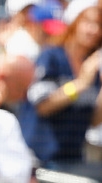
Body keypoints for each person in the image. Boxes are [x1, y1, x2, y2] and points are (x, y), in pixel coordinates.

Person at [18, 0, 102, 167]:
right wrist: (80, 84)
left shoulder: (92, 66)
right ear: (74, 22)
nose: (93, 30)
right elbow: (43, 105)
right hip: (41, 159)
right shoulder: (52, 57)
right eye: (87, 22)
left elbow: (94, 120)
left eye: (99, 25)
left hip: (72, 158)